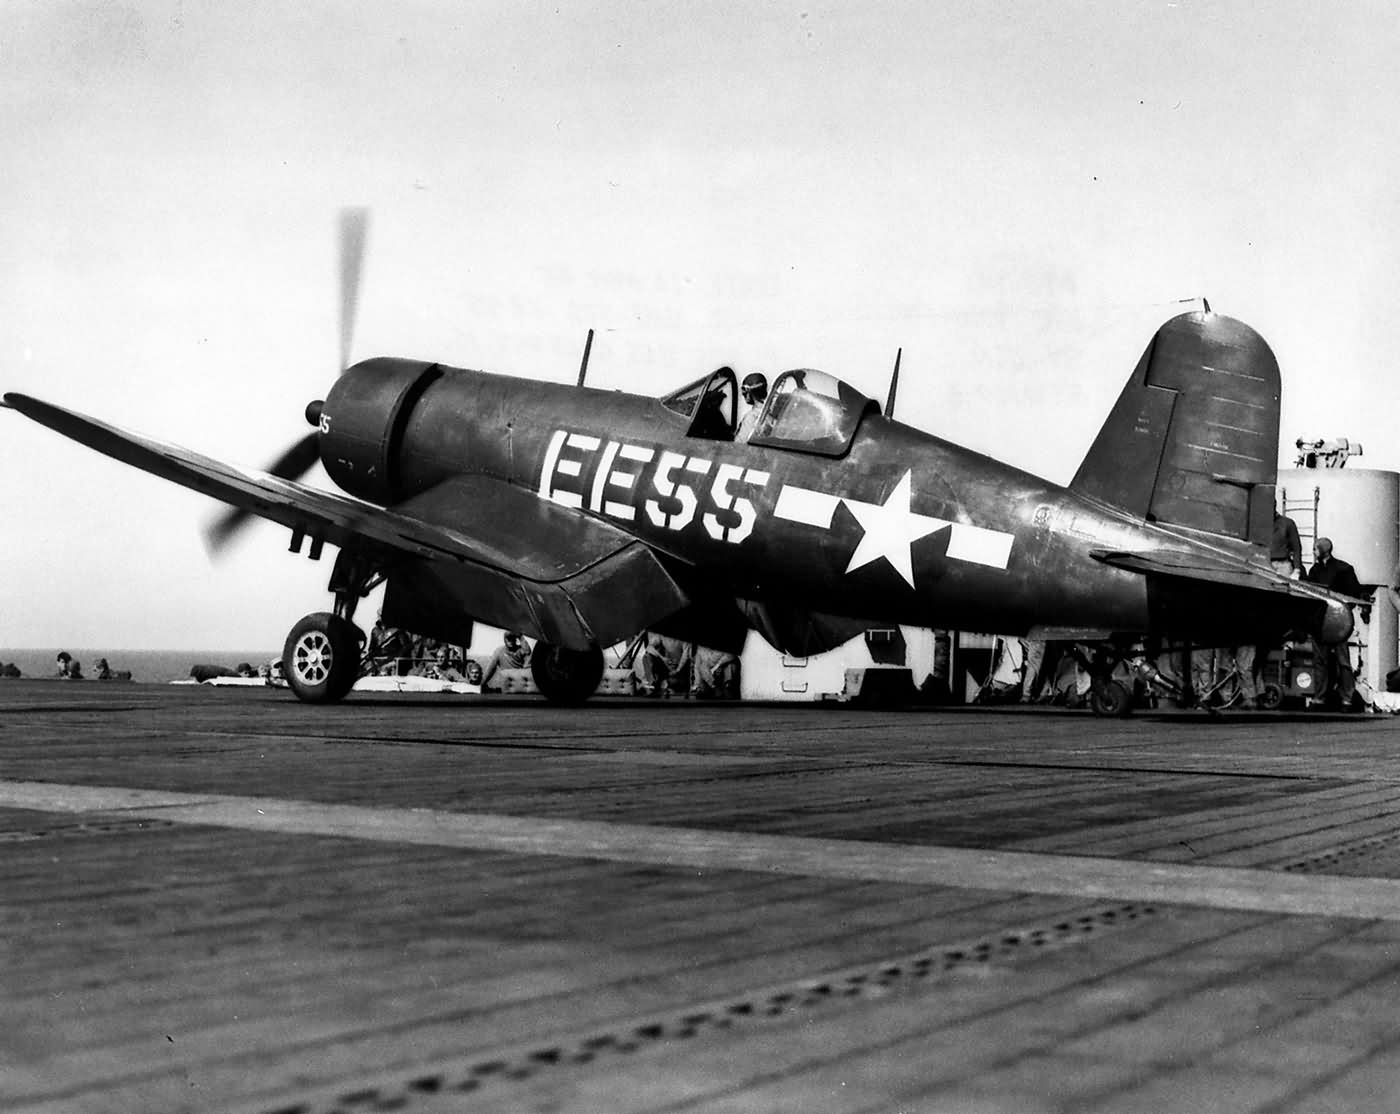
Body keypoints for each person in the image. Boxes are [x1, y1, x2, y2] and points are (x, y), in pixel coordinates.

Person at [1306, 537, 1367, 709]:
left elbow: (1353, 593)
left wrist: (1343, 613)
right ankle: (1321, 698)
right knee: (1321, 660)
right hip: (1320, 621)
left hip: (1338, 621)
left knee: (1342, 661)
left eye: (1315, 549)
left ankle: (1346, 698)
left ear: (1323, 550)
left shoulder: (1343, 569)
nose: (1313, 552)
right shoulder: (1315, 570)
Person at [635, 632, 693, 697]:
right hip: (666, 669)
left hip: (680, 672)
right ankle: (652, 686)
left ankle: (665, 686)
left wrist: (677, 670)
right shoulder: (662, 636)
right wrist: (662, 658)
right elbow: (649, 647)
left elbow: (686, 656)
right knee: (647, 657)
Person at [734, 372, 768, 443]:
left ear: (748, 392)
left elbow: (740, 444)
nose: (743, 394)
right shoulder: (775, 413)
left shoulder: (751, 417)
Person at [1270, 509, 1303, 578]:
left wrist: (1297, 570)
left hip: (1283, 565)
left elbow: (1296, 547)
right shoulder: (1260, 523)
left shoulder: (1287, 523)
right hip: (1264, 563)